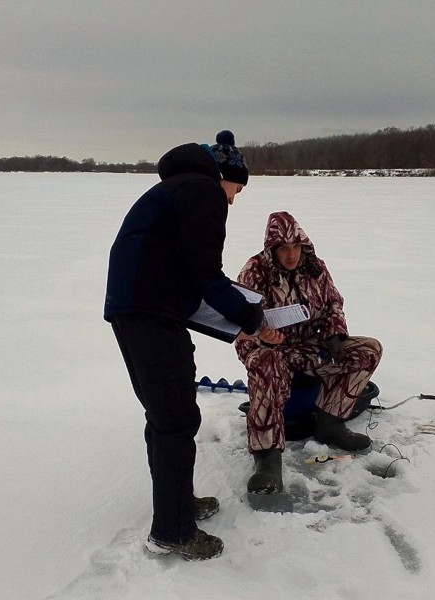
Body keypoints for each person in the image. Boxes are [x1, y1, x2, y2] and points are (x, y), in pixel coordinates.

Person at [105, 131, 280, 560]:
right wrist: (253, 318)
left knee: (169, 417)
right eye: (236, 191)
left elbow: (181, 280)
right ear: (226, 178)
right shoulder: (202, 191)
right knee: (175, 421)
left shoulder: (175, 190)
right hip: (149, 317)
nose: (233, 202)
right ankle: (173, 530)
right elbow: (207, 276)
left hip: (141, 312)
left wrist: (234, 324)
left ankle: (177, 508)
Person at [234, 211, 383, 494]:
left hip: (309, 348)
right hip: (269, 350)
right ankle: (267, 458)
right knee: (266, 362)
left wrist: (335, 335)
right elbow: (239, 324)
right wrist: (264, 338)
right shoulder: (254, 271)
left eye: (296, 247)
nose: (291, 255)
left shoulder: (316, 268)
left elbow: (333, 305)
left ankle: (330, 422)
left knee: (368, 349)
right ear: (272, 249)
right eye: (283, 249)